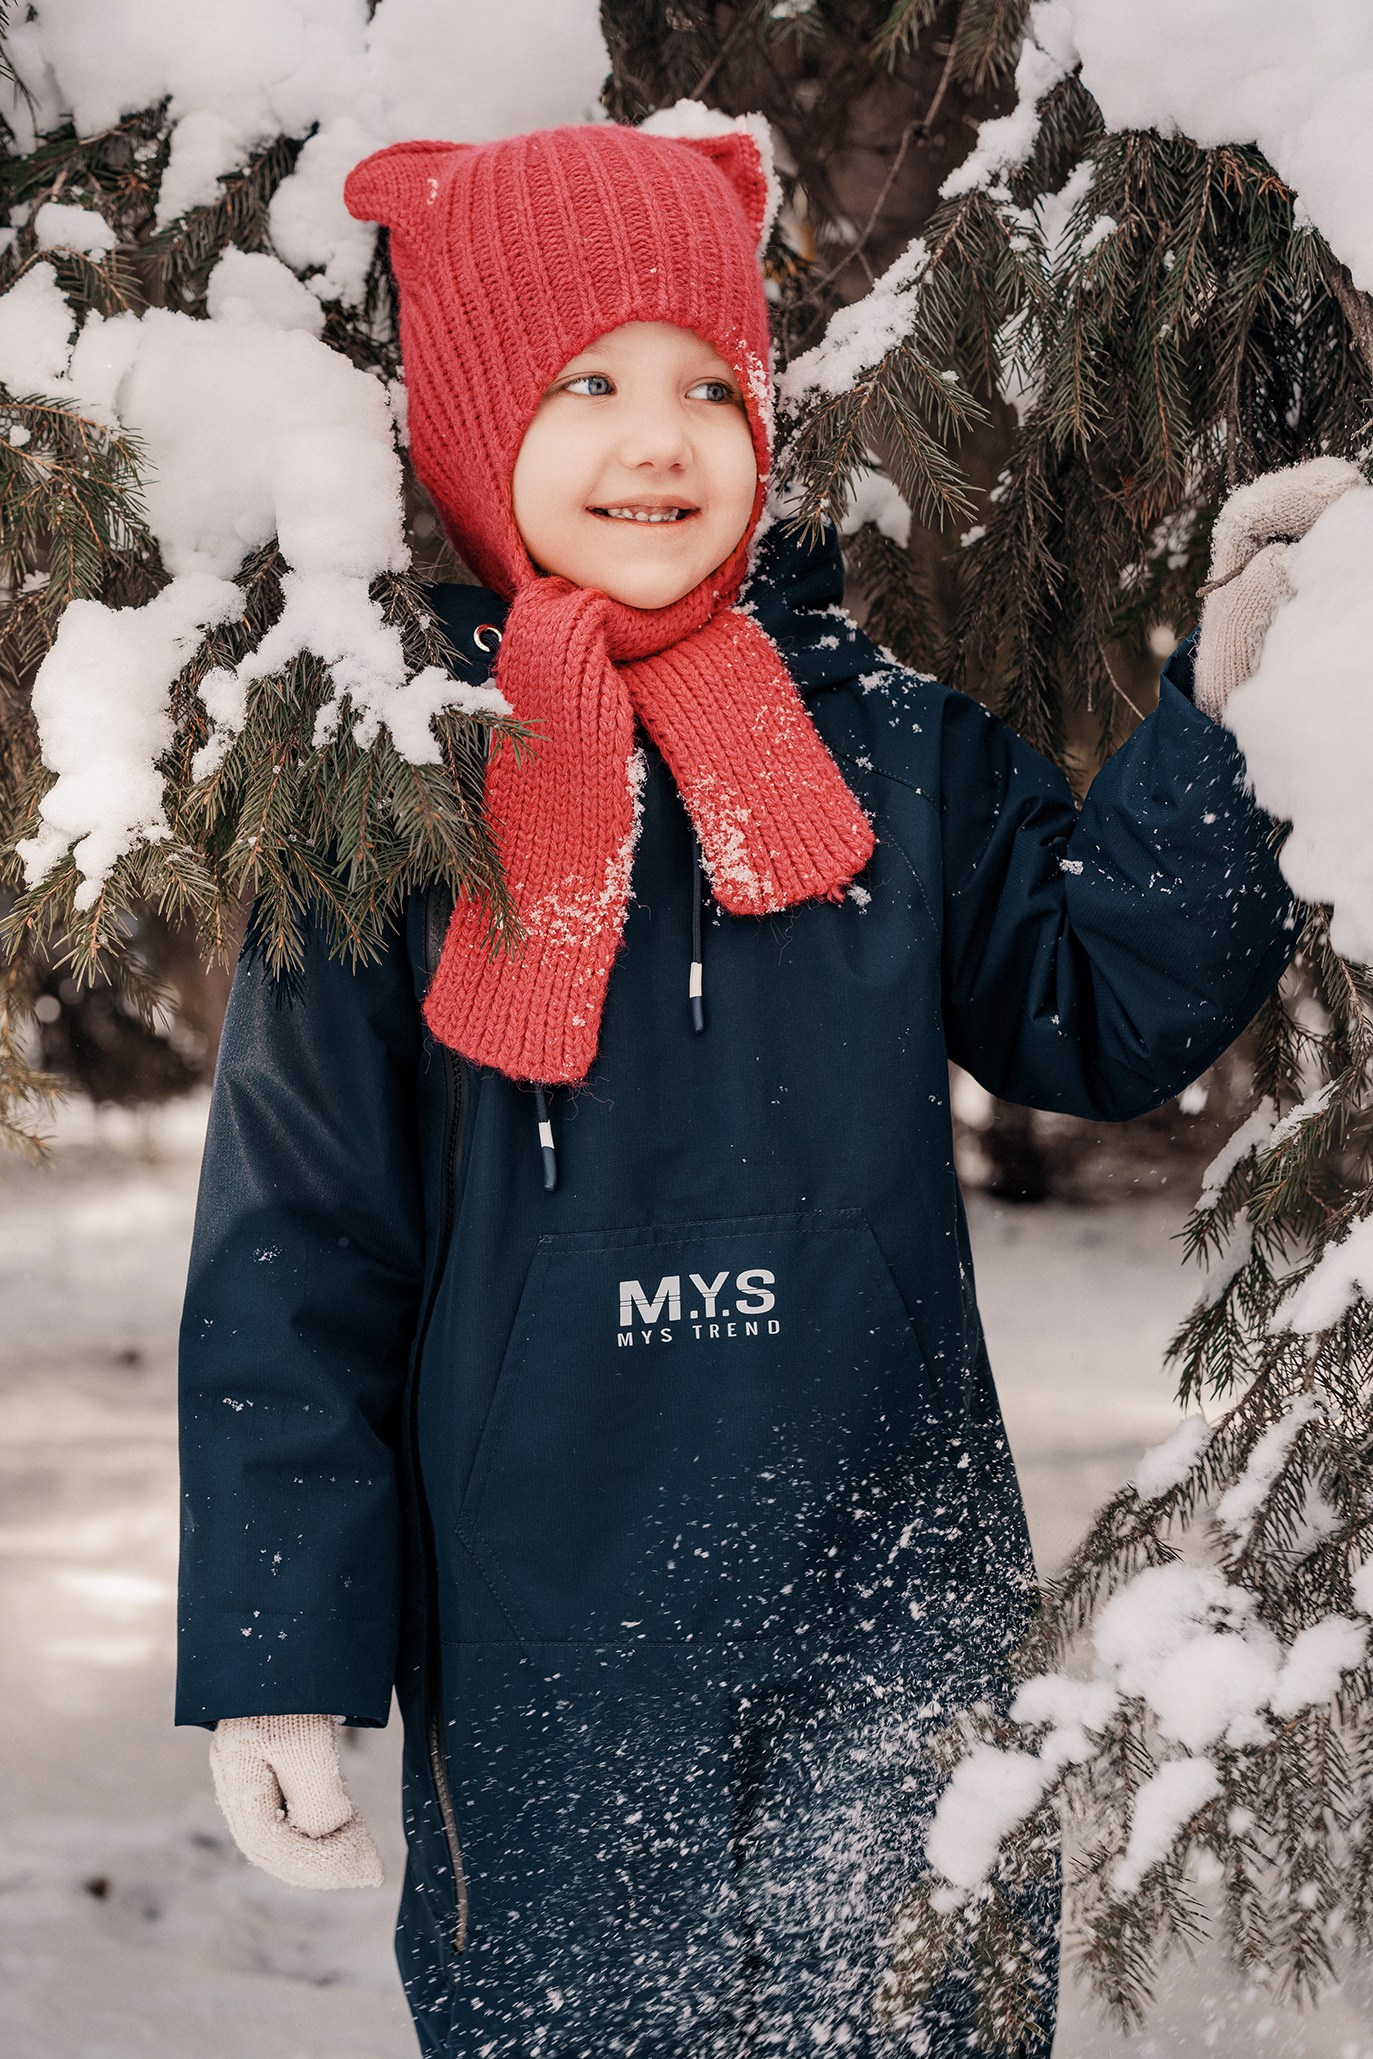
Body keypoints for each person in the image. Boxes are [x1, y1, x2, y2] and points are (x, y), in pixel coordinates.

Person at [175, 113, 1344, 2058]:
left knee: (922, 2018)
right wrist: (283, 1661)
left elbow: (1098, 1008)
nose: (657, 434)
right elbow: (300, 1260)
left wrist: (1221, 723)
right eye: (586, 383)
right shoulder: (397, 811)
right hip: (548, 1646)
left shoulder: (887, 750)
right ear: (469, 424)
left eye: (705, 381)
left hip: (893, 1601)